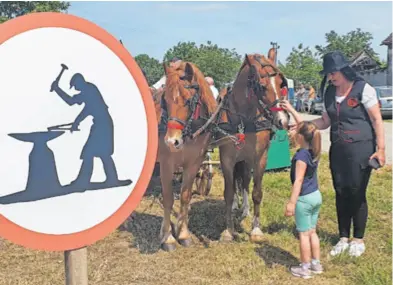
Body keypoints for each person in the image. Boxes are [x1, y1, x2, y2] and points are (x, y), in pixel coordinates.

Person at [282, 50, 386, 258]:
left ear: (343, 69)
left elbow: (376, 120)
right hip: (338, 149)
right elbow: (325, 122)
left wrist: (381, 149)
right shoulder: (330, 92)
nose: (330, 77)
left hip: (361, 149)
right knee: (341, 191)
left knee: (356, 191)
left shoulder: (363, 89)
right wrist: (303, 125)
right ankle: (343, 237)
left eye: (333, 73)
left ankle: (358, 239)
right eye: (328, 74)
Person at [51, 73, 121, 188]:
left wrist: (57, 89)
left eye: (75, 86)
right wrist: (76, 122)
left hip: (103, 125)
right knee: (100, 153)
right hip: (101, 124)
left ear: (79, 82)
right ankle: (110, 179)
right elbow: (85, 108)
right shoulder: (89, 89)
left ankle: (84, 181)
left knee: (91, 153)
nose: (76, 89)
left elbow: (74, 103)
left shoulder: (89, 90)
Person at [284, 119, 323, 279]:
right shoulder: (314, 151)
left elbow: (298, 181)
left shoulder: (301, 156)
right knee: (312, 232)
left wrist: (292, 203)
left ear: (301, 137)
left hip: (304, 199)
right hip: (316, 195)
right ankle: (316, 264)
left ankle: (305, 268)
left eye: (296, 131)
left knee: (304, 235)